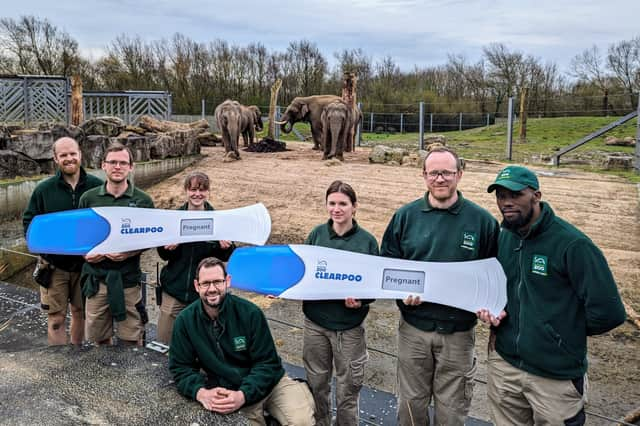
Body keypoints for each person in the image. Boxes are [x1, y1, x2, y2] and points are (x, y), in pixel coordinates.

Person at [479, 165, 626, 425]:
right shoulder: (504, 239)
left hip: (555, 378)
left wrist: (560, 334)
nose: (507, 203)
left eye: (516, 194)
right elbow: (498, 288)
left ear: (536, 195)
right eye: (501, 196)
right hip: (506, 367)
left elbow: (609, 313)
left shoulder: (572, 244)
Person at [380, 146, 499, 425]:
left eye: (447, 172)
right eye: (434, 173)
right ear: (424, 175)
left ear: (459, 174)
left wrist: (487, 305)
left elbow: (495, 275)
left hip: (458, 334)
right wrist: (401, 294)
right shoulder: (405, 217)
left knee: (453, 410)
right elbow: (387, 267)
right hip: (414, 331)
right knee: (411, 406)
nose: (440, 179)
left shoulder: (482, 222)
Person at [169, 257, 315, 425]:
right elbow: (180, 367)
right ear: (197, 286)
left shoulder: (250, 313)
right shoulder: (185, 321)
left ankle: (299, 392)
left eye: (217, 282)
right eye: (206, 283)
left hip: (270, 384)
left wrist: (243, 395)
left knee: (301, 421)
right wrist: (200, 392)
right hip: (229, 389)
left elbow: (268, 364)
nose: (212, 289)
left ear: (228, 281)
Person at [303, 180, 379, 426]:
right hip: (315, 323)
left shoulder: (367, 242)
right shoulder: (316, 235)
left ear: (354, 207)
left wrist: (362, 300)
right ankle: (322, 422)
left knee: (349, 387)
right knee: (317, 382)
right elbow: (302, 271)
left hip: (349, 328)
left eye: (343, 204)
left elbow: (374, 283)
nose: (337, 209)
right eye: (332, 203)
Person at [22, 137, 103, 345]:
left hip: (85, 267)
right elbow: (29, 222)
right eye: (63, 155)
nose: (69, 159)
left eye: (72, 154)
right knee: (56, 319)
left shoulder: (97, 186)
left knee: (80, 313)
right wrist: (41, 248)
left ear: (80, 155)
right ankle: (58, 363)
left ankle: (74, 359)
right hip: (54, 266)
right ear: (56, 158)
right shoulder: (44, 190)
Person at [78, 143, 154, 346]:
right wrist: (86, 254)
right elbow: (81, 236)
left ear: (131, 167)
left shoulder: (143, 201)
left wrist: (129, 253)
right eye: (112, 162)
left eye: (123, 162)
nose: (117, 167)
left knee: (132, 338)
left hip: (128, 280)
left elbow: (151, 238)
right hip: (97, 280)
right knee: (99, 339)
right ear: (103, 165)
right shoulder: (89, 198)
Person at [155, 171, 235, 345]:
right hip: (174, 290)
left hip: (204, 293)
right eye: (193, 189)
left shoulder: (219, 220)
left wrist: (226, 246)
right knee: (164, 341)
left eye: (202, 190)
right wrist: (168, 247)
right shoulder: (173, 218)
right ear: (186, 191)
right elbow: (163, 254)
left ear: (208, 192)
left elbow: (227, 256)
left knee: (201, 343)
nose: (197, 194)